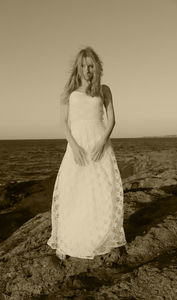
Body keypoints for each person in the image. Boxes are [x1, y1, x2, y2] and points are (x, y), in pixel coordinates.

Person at [47, 46, 127, 260]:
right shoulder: (68, 92)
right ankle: (65, 241)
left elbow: (112, 121)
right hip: (78, 145)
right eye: (83, 65)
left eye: (91, 65)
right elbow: (63, 122)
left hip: (99, 143)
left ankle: (100, 237)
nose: (87, 69)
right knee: (71, 191)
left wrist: (103, 142)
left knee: (100, 190)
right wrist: (73, 146)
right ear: (78, 67)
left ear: (97, 66)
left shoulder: (105, 90)